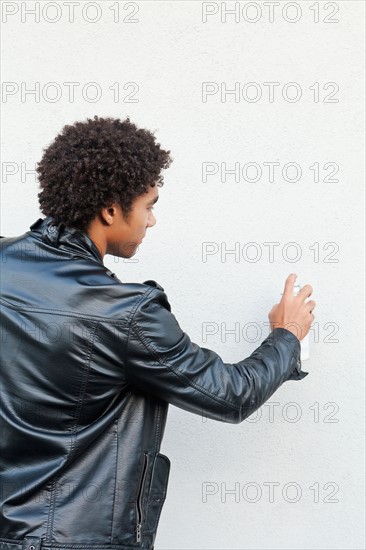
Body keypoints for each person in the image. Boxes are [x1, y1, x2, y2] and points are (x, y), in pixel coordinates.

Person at [0, 116, 316, 550]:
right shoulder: (125, 314)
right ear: (111, 210)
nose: (152, 221)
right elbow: (230, 394)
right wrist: (287, 335)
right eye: (148, 205)